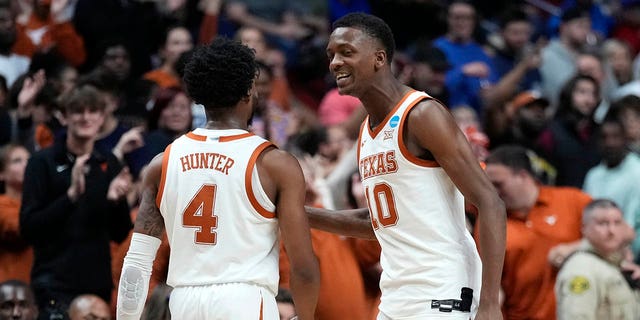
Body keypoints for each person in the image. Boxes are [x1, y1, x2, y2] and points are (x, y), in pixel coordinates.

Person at [309, 12, 506, 320]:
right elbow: (378, 222)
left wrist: (491, 304)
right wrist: (297, 214)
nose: (334, 62)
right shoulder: (366, 132)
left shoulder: (423, 115)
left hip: (442, 288)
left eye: (346, 52)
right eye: (331, 54)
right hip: (397, 293)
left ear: (379, 58)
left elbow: (490, 202)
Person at [116, 37, 319, 320]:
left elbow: (137, 263)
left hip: (184, 301)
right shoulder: (273, 163)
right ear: (249, 91)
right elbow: (304, 268)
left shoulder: (162, 163)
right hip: (245, 301)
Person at [19, 84, 133, 320]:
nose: (86, 117)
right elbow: (29, 228)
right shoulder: (42, 162)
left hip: (96, 282)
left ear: (102, 117)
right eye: (78, 111)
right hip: (53, 283)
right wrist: (70, 197)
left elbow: (119, 233)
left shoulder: (109, 163)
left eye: (93, 111)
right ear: (65, 116)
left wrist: (116, 201)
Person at [483, 145, 592, 319]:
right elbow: (489, 288)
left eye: (498, 184)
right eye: (489, 186)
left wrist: (577, 247)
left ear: (523, 176)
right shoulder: (489, 225)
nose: (493, 192)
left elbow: (619, 238)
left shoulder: (573, 200)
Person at [555, 199, 640, 320]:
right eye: (602, 223)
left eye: (617, 223)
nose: (612, 230)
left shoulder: (619, 265)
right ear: (584, 228)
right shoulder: (581, 270)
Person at [582, 114, 640, 257]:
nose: (610, 143)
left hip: (629, 255)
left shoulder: (637, 172)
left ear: (626, 139)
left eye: (616, 137)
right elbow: (586, 219)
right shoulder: (593, 175)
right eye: (604, 137)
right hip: (595, 250)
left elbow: (629, 228)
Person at [0, 144, 32, 283]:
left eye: (29, 160)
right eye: (17, 161)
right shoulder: (2, 204)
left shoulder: (44, 201)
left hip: (43, 285)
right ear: (1, 174)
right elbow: (18, 228)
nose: (27, 165)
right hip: (11, 288)